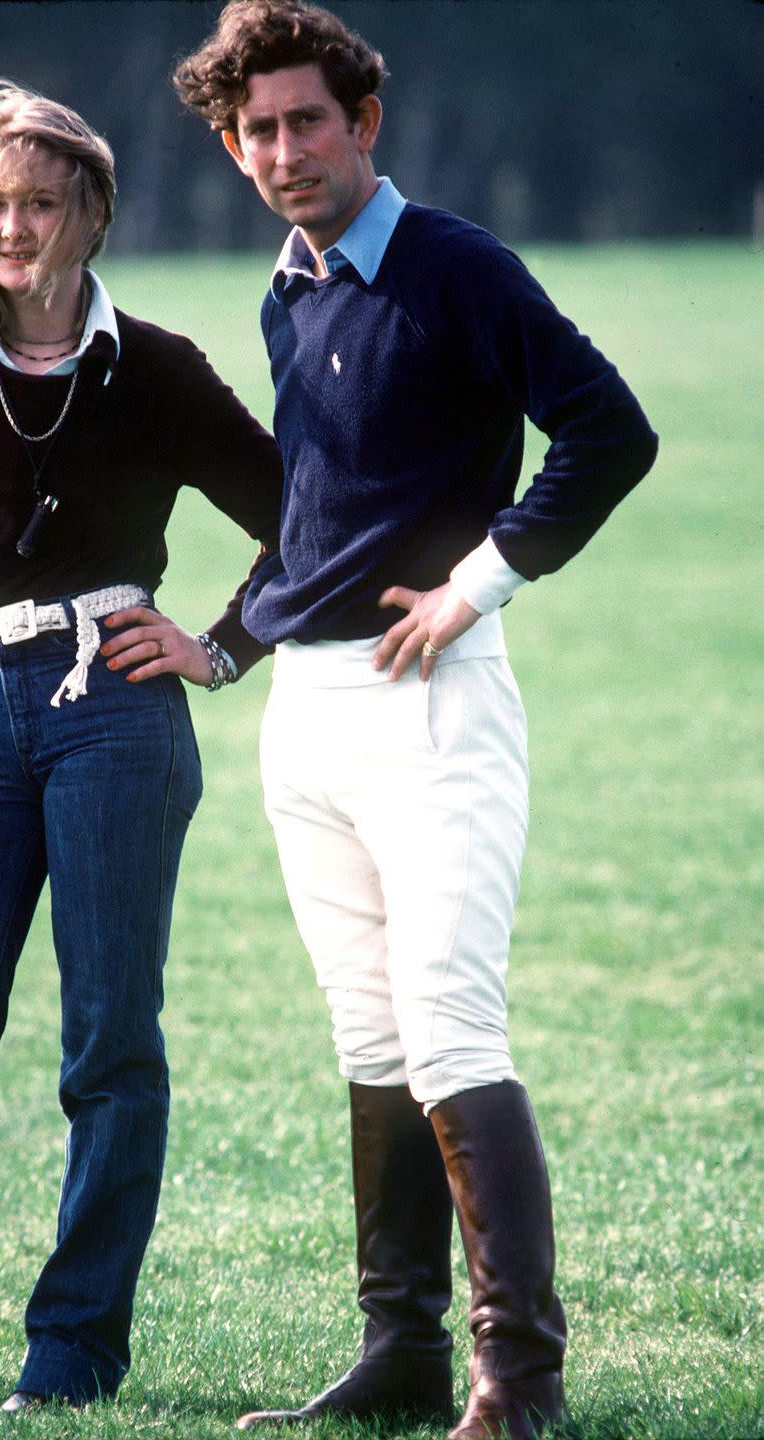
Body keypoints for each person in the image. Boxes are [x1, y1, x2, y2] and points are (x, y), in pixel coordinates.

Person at [174, 6, 658, 1438]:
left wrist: (480, 583)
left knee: (451, 1031)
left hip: (431, 701)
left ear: (364, 120)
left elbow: (609, 430)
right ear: (231, 144)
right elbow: (320, 521)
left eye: (307, 120)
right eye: (256, 130)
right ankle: (406, 1357)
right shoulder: (286, 291)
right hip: (309, 723)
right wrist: (220, 648)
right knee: (370, 1039)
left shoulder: (449, 263)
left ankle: (524, 1386)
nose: (283, 151)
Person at [0, 78, 281, 1411]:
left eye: (40, 201)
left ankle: (73, 1350)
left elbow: (302, 517)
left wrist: (218, 643)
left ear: (90, 208)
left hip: (115, 715)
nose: (14, 227)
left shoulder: (157, 369)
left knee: (109, 1045)